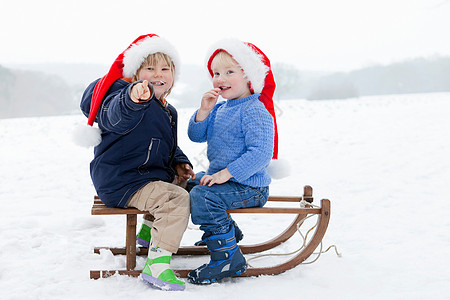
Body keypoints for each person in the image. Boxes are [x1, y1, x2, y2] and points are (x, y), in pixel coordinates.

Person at [79, 34, 195, 291]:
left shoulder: (167, 110)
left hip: (142, 176)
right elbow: (115, 118)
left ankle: (147, 236)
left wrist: (179, 161)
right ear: (135, 74)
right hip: (122, 180)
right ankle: (157, 265)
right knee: (175, 199)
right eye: (150, 68)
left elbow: (166, 145)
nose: (158, 74)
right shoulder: (129, 99)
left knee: (184, 184)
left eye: (165, 68)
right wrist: (131, 99)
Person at [187, 38, 278, 284]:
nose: (220, 78)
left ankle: (227, 258)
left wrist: (225, 174)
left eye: (229, 72)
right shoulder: (220, 108)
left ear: (248, 75)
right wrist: (204, 110)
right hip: (226, 182)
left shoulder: (255, 110)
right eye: (216, 73)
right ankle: (226, 232)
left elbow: (260, 153)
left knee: (202, 196)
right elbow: (195, 136)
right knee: (189, 185)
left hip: (250, 186)